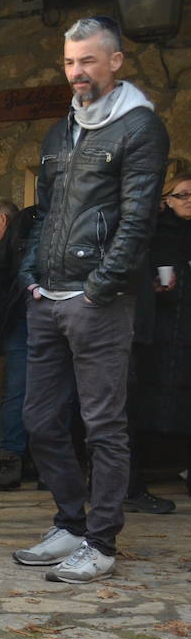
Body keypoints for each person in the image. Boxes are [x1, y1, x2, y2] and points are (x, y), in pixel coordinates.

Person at [13, 16, 169, 583]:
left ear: (116, 61)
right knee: (39, 421)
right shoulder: (61, 133)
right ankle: (70, 523)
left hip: (97, 300)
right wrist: (31, 275)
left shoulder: (139, 128)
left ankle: (100, 543)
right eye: (69, 63)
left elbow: (138, 220)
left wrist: (99, 288)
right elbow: (46, 213)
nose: (76, 73)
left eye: (87, 61)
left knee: (103, 425)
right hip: (46, 298)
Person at [132, 173, 191, 500]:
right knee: (147, 398)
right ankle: (140, 472)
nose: (189, 201)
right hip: (158, 329)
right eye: (182, 195)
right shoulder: (154, 233)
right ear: (167, 200)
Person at [0, 200, 34, 490]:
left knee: (18, 391)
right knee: (18, 390)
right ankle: (15, 460)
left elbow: (2, 266)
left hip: (27, 311)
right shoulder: (29, 219)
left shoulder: (28, 220)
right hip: (26, 312)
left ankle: (15, 460)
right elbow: (4, 267)